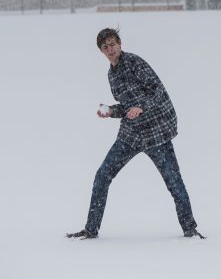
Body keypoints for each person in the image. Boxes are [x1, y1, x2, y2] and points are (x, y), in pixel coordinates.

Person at [67, 28, 204, 240]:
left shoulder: (135, 63)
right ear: (101, 52)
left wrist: (141, 107)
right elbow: (126, 107)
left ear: (120, 43)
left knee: (174, 183)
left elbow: (157, 92)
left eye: (112, 44)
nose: (110, 49)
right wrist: (112, 111)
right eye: (105, 47)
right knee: (102, 176)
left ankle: (190, 230)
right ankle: (91, 229)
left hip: (156, 131)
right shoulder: (111, 75)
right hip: (131, 134)